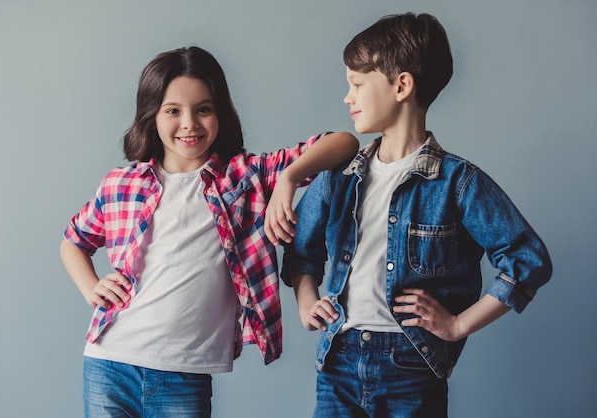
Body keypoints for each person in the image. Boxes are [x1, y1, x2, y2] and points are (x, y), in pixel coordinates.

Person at [60, 45, 358, 417]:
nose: (190, 123)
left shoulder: (246, 177)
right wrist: (92, 287)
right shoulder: (122, 184)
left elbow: (345, 142)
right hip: (109, 362)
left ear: (221, 113)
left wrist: (288, 177)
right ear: (151, 115)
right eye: (173, 111)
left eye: (204, 109)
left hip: (185, 374)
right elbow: (73, 241)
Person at [280, 12, 553, 418]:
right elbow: (303, 254)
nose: (347, 97)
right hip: (338, 362)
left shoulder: (458, 182)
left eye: (356, 84)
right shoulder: (340, 176)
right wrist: (306, 301)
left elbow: (527, 260)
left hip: (411, 366)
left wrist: (458, 325)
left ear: (402, 85)